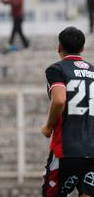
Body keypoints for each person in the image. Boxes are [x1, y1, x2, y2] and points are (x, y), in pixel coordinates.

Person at [41, 27, 94, 197]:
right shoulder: (93, 71)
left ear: (59, 47)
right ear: (82, 49)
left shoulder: (56, 69)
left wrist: (48, 126)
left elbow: (59, 100)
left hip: (66, 150)